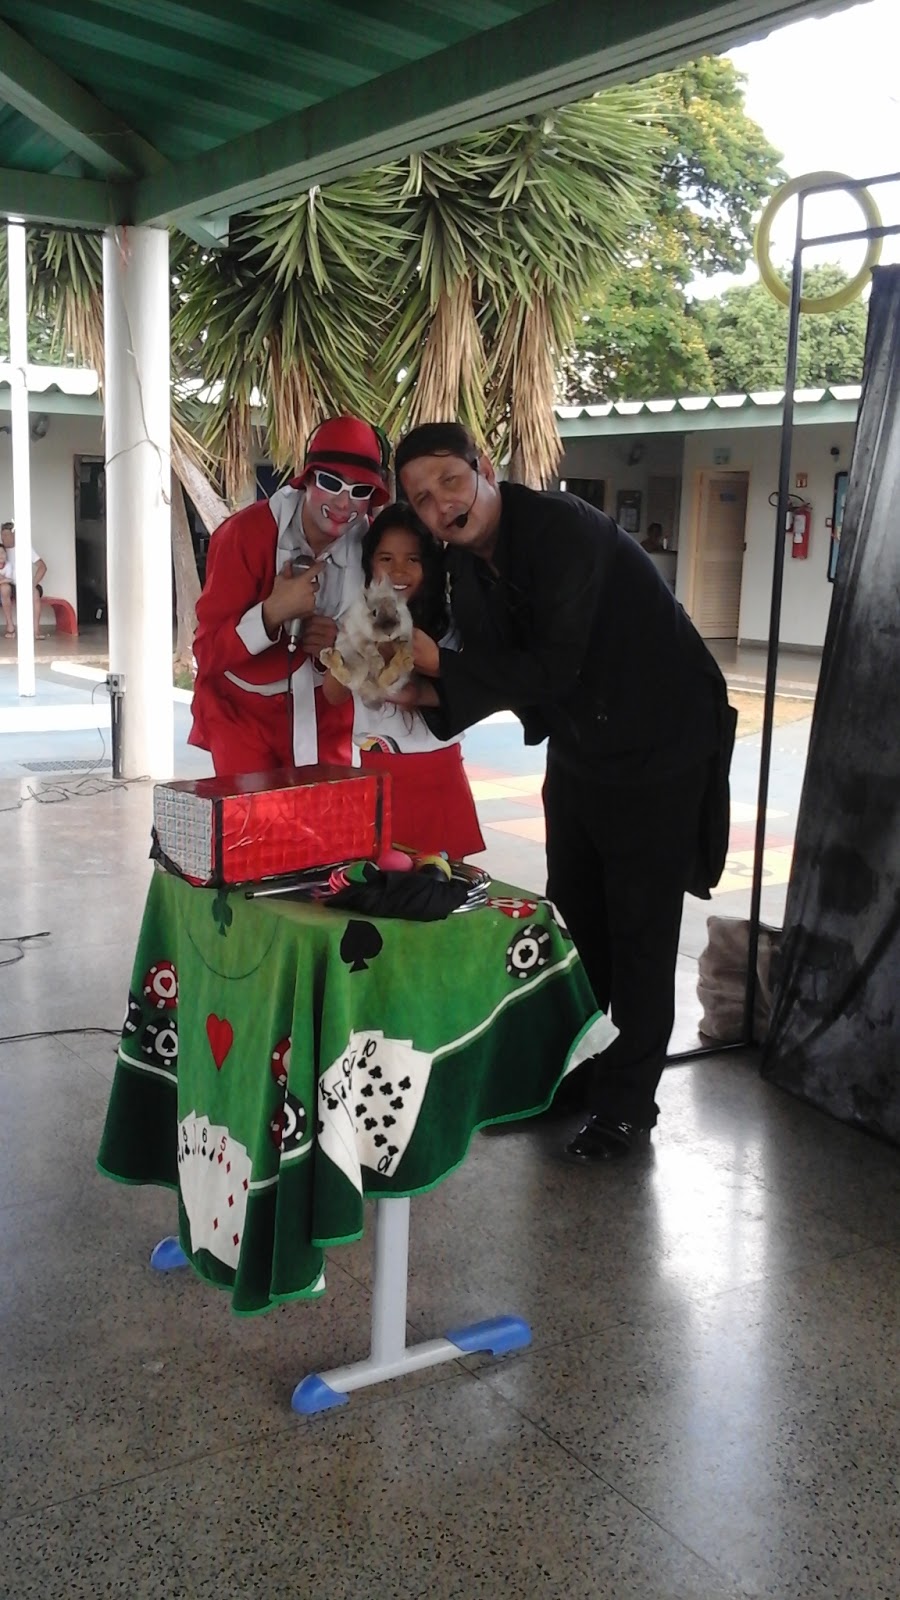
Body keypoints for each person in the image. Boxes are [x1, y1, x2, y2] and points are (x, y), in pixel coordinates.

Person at [392, 422, 736, 1164]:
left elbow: (551, 668)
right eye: (421, 498)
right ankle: (575, 1077)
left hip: (663, 742)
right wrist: (420, 692)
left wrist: (439, 669)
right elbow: (498, 670)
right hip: (584, 747)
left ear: (484, 468)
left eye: (450, 480)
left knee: (640, 929)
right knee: (576, 921)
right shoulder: (467, 569)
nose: (441, 504)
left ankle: (626, 1105)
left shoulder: (561, 529)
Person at [188, 416, 391, 776]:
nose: (344, 502)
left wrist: (342, 645)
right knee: (251, 813)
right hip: (241, 716)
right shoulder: (244, 535)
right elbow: (207, 653)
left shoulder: (374, 546)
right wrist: (271, 613)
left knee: (328, 810)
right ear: (307, 479)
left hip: (327, 714)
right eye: (331, 482)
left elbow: (382, 645)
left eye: (360, 491)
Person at [321, 502, 484, 859]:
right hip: (377, 771)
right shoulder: (358, 619)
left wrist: (410, 689)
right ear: (369, 564)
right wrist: (354, 649)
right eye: (386, 558)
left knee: (440, 881)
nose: (398, 570)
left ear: (431, 565)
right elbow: (333, 695)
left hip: (438, 772)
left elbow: (459, 692)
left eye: (413, 559)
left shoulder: (447, 624)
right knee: (380, 880)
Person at [0, 521, 48, 640]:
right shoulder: (1, 550)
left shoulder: (25, 548)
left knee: (34, 592)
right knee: (4, 588)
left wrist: (32, 584)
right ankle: (10, 627)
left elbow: (42, 567)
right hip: (8, 584)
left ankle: (36, 631)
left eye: (6, 535)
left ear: (14, 535)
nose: (3, 538)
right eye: (2, 535)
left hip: (25, 584)